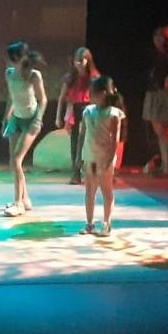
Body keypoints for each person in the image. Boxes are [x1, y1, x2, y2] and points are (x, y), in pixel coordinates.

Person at [1, 41, 47, 216]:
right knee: (13, 162)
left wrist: (38, 119)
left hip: (31, 120)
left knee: (17, 160)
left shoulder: (34, 76)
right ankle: (25, 198)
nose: (7, 62)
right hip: (16, 119)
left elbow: (43, 100)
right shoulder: (9, 74)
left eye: (10, 58)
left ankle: (18, 203)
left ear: (19, 58)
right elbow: (11, 97)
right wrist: (6, 117)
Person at [77, 76, 126, 236]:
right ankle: (89, 223)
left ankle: (106, 223)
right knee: (89, 190)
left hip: (104, 159)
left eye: (93, 92)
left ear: (103, 93)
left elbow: (114, 140)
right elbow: (82, 135)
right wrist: (78, 156)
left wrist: (110, 160)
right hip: (89, 156)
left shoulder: (113, 114)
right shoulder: (88, 111)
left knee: (106, 190)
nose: (90, 95)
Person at [142, 25, 168, 176]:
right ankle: (166, 165)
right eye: (155, 36)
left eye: (160, 37)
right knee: (161, 132)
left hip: (164, 94)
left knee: (165, 131)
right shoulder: (155, 53)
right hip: (155, 92)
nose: (157, 39)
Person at [56, 46, 100, 184]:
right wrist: (58, 116)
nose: (79, 64)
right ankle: (76, 173)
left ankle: (92, 171)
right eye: (77, 61)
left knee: (87, 141)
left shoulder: (94, 77)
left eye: (82, 60)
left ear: (88, 61)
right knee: (75, 141)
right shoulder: (70, 77)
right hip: (74, 108)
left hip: (89, 109)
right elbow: (62, 97)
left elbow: (99, 97)